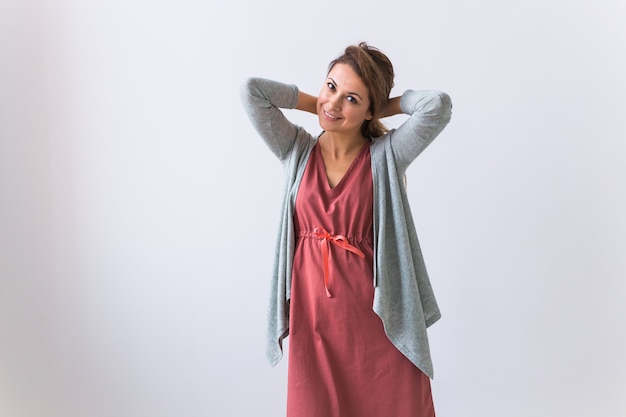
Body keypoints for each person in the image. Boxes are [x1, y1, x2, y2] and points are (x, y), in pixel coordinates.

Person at [241, 42, 452, 417]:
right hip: (315, 325)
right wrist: (321, 105)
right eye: (331, 86)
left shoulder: (387, 155)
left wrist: (379, 107)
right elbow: (253, 92)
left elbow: (437, 106)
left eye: (352, 98)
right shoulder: (296, 149)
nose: (335, 103)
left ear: (370, 109)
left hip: (377, 322)